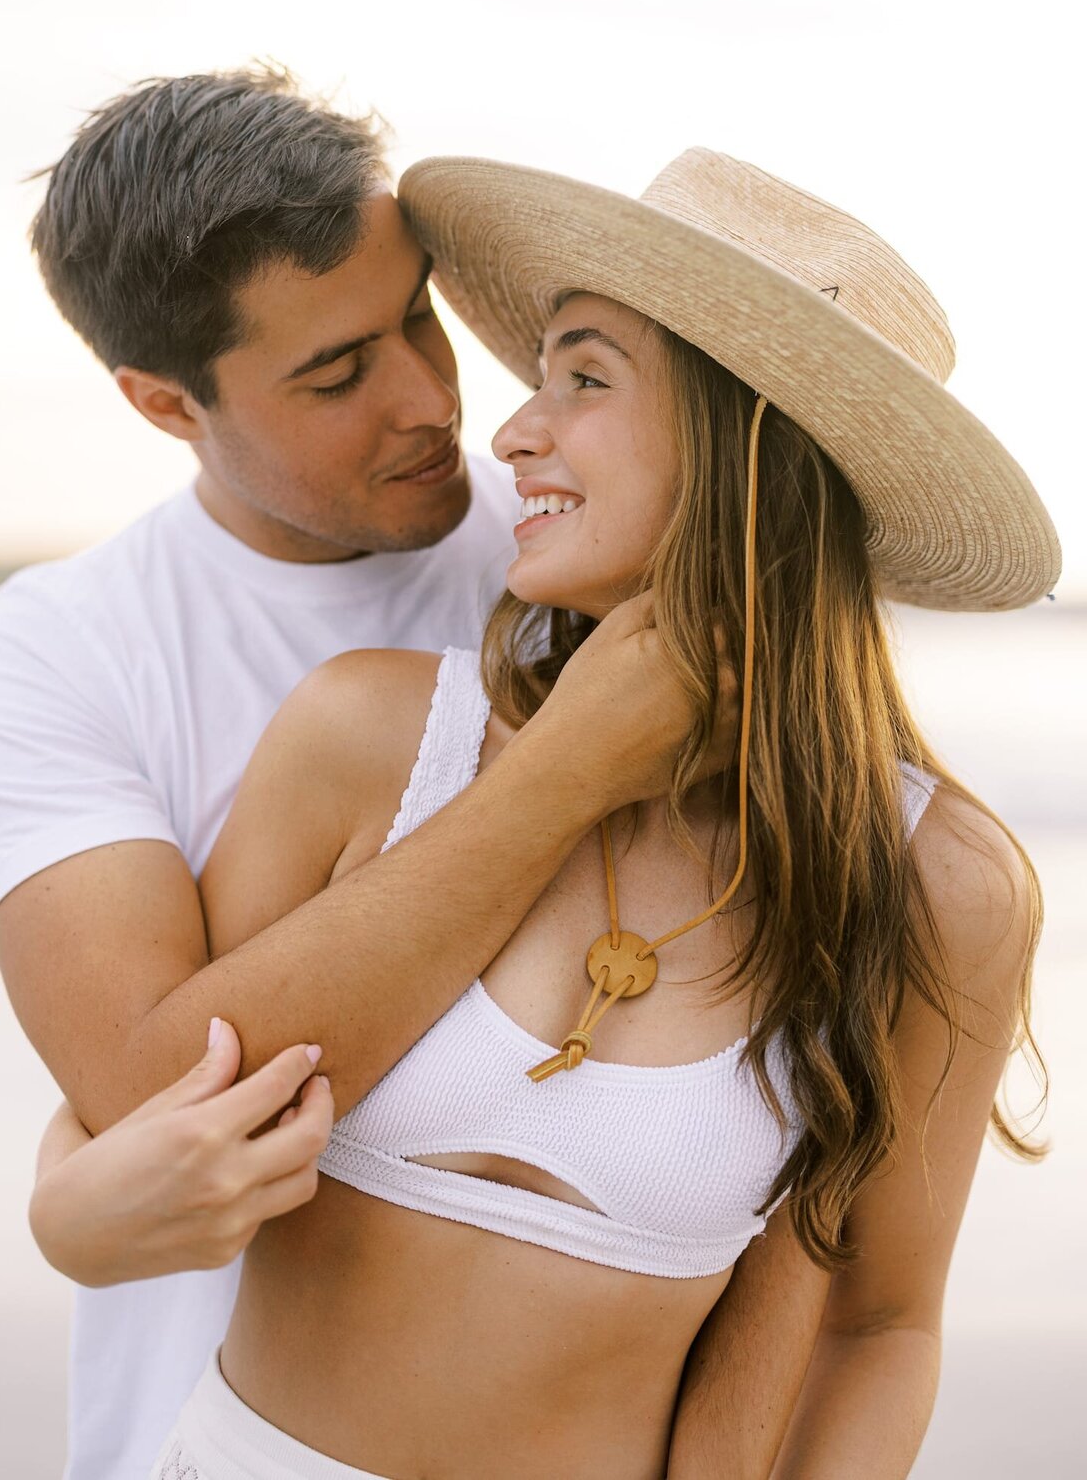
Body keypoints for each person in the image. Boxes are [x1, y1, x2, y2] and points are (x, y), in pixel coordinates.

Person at [119, 145, 1055, 1479]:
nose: (512, 431)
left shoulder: (933, 884)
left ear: (751, 442)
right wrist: (563, 771)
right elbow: (163, 1112)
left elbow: (878, 1325)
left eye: (585, 377)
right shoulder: (373, 736)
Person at [0, 72, 817, 1480]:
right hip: (202, 1426)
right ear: (167, 403)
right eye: (337, 374)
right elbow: (155, 1089)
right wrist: (563, 771)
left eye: (419, 314)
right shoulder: (62, 655)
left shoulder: (576, 548)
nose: (428, 400)